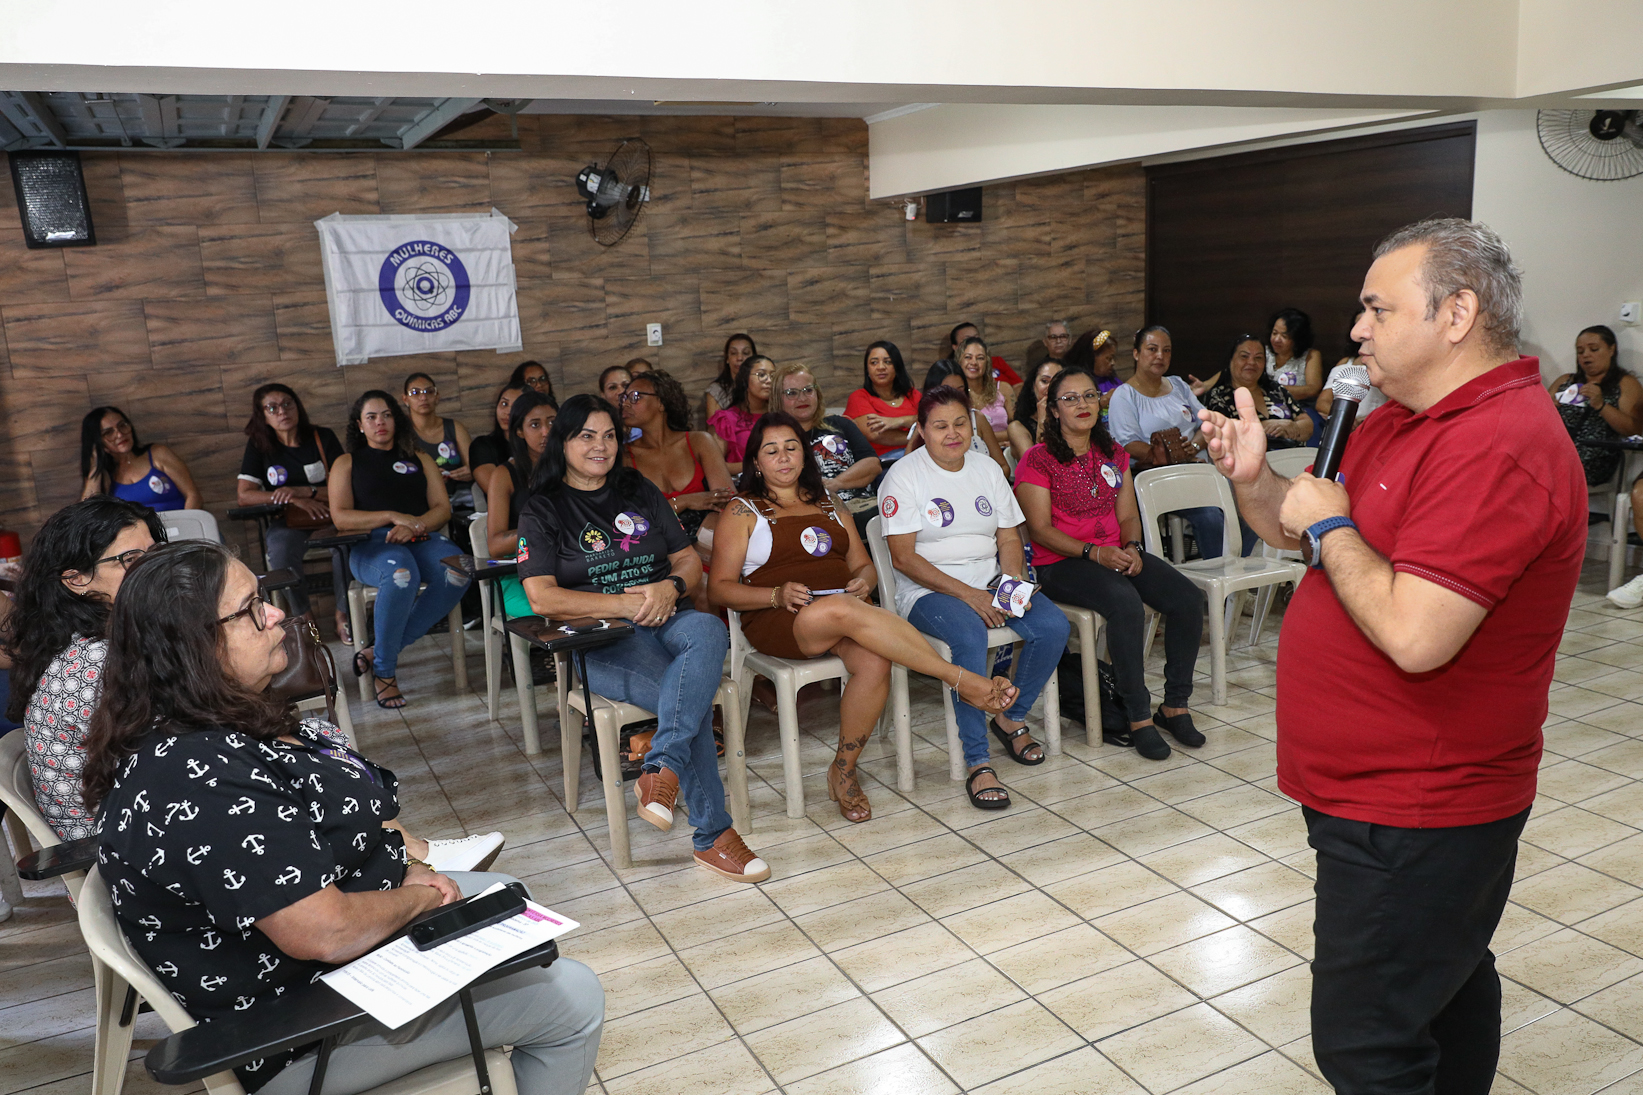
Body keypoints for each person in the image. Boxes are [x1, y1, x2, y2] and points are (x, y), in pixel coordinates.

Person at [1202, 218, 1584, 1094]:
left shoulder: (1497, 443)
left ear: (1456, 313)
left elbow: (1414, 634)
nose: (1357, 329)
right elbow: (1307, 537)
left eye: (1376, 308)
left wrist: (1329, 521)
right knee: (1441, 989)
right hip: (1375, 792)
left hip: (1420, 804)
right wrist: (1256, 482)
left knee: (1367, 1043)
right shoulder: (1400, 418)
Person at [82, 540, 602, 1095]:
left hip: (327, 976)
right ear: (194, 646)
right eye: (252, 608)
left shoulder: (203, 726)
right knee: (569, 994)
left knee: (507, 898)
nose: (277, 614)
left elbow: (295, 853)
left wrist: (397, 869)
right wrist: (423, 896)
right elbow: (324, 932)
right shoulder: (198, 776)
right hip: (302, 1031)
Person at [710, 412, 1017, 823]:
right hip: (781, 618)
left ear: (805, 455)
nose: (783, 457)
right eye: (772, 450)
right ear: (756, 461)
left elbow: (864, 566)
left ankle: (844, 769)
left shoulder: (830, 503)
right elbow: (720, 588)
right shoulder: (742, 510)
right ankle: (960, 679)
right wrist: (775, 594)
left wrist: (862, 581)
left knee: (874, 662)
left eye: (792, 448)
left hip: (843, 612)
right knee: (841, 609)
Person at [516, 395, 768, 882]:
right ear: (562, 443)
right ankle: (713, 835)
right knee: (683, 699)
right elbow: (542, 597)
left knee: (709, 628)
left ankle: (661, 765)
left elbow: (688, 559)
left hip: (669, 616)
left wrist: (670, 587)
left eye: (609, 435)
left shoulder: (637, 488)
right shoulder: (542, 508)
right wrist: (625, 604)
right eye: (586, 436)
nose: (601, 446)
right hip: (602, 639)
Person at [880, 387, 1070, 810]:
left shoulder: (986, 468)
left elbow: (1008, 536)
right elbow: (903, 558)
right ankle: (977, 760)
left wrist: (1009, 585)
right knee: (968, 637)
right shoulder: (905, 475)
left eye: (961, 423)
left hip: (989, 581)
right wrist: (971, 596)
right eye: (941, 426)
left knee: (1053, 626)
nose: (953, 434)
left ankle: (1010, 716)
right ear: (923, 431)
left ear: (973, 425)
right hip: (928, 591)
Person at [1018, 367, 1206, 762]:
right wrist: (1093, 553)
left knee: (1187, 598)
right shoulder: (1038, 460)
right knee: (1124, 603)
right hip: (1061, 563)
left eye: (1089, 396)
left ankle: (1175, 706)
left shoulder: (1112, 453)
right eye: (1070, 399)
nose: (1082, 405)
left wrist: (1133, 547)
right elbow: (1038, 530)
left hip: (1113, 556)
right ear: (1053, 410)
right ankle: (1138, 716)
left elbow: (1127, 517)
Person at [6, 498, 163, 840]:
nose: (153, 567)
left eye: (153, 552)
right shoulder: (98, 661)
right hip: (125, 849)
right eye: (131, 560)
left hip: (143, 817)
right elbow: (183, 752)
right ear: (77, 580)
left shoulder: (99, 635)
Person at [329, 391, 471, 709]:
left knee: (460, 568)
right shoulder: (347, 462)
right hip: (371, 544)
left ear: (397, 419)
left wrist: (414, 525)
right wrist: (392, 517)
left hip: (420, 535)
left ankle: (379, 649)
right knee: (401, 574)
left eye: (387, 415)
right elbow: (340, 516)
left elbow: (442, 508)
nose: (381, 422)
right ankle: (384, 672)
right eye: (372, 417)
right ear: (360, 425)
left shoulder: (419, 458)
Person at [235, 384, 350, 639]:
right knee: (280, 550)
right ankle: (306, 621)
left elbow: (346, 484)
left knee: (345, 546)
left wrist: (303, 492)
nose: (281, 412)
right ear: (262, 415)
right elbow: (244, 495)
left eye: (287, 404)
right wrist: (287, 498)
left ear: (298, 406)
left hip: (329, 515)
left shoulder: (322, 437)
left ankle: (343, 615)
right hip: (288, 520)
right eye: (272, 408)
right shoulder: (259, 445)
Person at [1107, 326, 1225, 558]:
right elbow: (1128, 445)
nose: (1160, 356)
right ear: (1136, 354)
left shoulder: (1178, 385)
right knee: (1211, 515)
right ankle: (1223, 584)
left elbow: (1205, 423)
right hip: (1158, 477)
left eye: (1166, 350)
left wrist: (1192, 448)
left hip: (1199, 471)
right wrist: (1175, 455)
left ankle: (1239, 577)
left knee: (1246, 505)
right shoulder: (1124, 395)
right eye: (1152, 349)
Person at [622, 369, 734, 605]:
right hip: (662, 548)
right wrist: (684, 501)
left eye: (635, 396)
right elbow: (634, 521)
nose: (626, 403)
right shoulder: (624, 458)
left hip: (708, 541)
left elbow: (726, 501)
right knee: (700, 585)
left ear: (661, 402)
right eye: (624, 397)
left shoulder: (699, 441)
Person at [771, 362, 881, 537]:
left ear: (817, 393)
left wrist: (835, 484)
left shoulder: (841, 424)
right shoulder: (774, 441)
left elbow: (872, 465)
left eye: (808, 390)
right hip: (814, 513)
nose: (802, 398)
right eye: (792, 393)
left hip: (863, 506)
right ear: (778, 399)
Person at [485, 390, 558, 620]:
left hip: (567, 568)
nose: (546, 431)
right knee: (565, 609)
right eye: (535, 425)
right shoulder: (504, 474)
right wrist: (539, 530)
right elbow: (495, 545)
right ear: (519, 431)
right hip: (517, 575)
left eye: (552, 422)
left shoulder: (571, 466)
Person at [1548, 323, 1640, 488]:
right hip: (1555, 452)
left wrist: (1601, 405)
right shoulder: (1565, 381)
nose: (1586, 356)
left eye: (1594, 349)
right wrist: (1548, 408)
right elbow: (1536, 421)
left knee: (1541, 472)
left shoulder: (1625, 384)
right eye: (1580, 351)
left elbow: (1634, 429)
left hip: (1594, 457)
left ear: (1611, 350)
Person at [79, 406, 202, 512]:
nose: (120, 434)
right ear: (98, 441)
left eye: (122, 426)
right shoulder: (105, 475)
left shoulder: (157, 453)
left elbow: (193, 496)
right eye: (108, 433)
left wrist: (186, 531)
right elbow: (88, 514)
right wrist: (95, 466)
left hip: (182, 530)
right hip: (140, 538)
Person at [1199, 335, 1313, 449]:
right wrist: (1263, 426)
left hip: (1293, 457)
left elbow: (1307, 424)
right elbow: (1223, 434)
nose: (1251, 362)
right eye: (1244, 356)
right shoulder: (1218, 396)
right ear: (1230, 360)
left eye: (1258, 358)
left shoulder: (1275, 389)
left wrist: (1291, 426)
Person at [908, 362, 1011, 479]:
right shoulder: (925, 423)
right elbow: (908, 470)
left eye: (960, 391)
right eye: (942, 427)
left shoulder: (977, 418)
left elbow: (1003, 467)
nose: (954, 397)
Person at [403, 372, 475, 510]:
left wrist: (470, 472)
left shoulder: (454, 427)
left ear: (437, 397)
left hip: (461, 498)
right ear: (405, 399)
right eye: (415, 393)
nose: (423, 397)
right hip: (423, 500)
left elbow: (474, 465)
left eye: (429, 392)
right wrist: (430, 477)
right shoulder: (402, 433)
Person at [846, 341, 921, 458]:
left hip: (917, 455)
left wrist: (899, 421)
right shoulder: (859, 397)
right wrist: (916, 436)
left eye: (888, 362)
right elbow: (875, 434)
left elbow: (929, 421)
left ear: (897, 367)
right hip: (883, 461)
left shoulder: (913, 395)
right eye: (874, 363)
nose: (881, 367)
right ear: (867, 369)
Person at [1315, 311, 1391, 420]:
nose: (1362, 331)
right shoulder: (1346, 362)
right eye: (1358, 324)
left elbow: (1393, 404)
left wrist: (1369, 421)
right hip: (1344, 422)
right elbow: (1323, 402)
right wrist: (1345, 418)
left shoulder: (1389, 362)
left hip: (1375, 423)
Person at [707, 354, 774, 473]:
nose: (769, 380)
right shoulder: (725, 419)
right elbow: (713, 467)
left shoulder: (780, 415)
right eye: (762, 375)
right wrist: (759, 465)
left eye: (773, 376)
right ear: (745, 378)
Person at [471, 381, 527, 500]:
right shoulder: (482, 445)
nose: (507, 412)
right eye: (504, 404)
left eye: (516, 406)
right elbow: (497, 491)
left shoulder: (537, 445)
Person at [1007, 357, 1065, 463]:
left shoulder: (1071, 419)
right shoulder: (1017, 428)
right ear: (1034, 386)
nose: (1050, 387)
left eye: (1057, 382)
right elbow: (1035, 465)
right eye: (1045, 381)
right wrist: (1043, 418)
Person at [958, 335, 1015, 435]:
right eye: (968, 357)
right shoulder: (954, 393)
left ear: (987, 363)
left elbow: (1019, 428)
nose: (974, 362)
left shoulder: (1003, 388)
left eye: (980, 358)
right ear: (959, 361)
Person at [937, 321, 1022, 387]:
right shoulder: (950, 371)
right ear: (955, 347)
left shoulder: (996, 361)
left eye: (976, 338)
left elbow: (1018, 385)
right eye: (967, 339)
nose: (973, 342)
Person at [1064, 329, 1121, 418]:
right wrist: (1102, 402)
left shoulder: (1114, 382)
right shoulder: (1073, 384)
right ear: (1092, 357)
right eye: (1109, 358)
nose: (1113, 363)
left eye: (1113, 358)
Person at [704, 333, 756, 420]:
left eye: (746, 353)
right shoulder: (716, 391)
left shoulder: (762, 385)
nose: (739, 358)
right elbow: (714, 430)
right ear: (727, 359)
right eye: (733, 353)